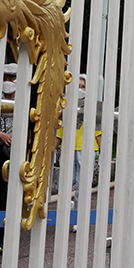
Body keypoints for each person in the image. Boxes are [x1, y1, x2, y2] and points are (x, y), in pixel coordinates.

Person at [55, 75, 102, 230]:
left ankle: (78, 219)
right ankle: (65, 215)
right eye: (79, 86)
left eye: (84, 87)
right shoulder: (67, 106)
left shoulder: (92, 108)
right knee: (65, 184)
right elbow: (61, 130)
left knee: (82, 187)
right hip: (68, 148)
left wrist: (103, 152)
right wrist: (54, 147)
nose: (81, 89)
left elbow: (98, 131)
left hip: (86, 149)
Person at [0, 63, 18, 254]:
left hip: (16, 154)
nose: (8, 82)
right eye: (6, 78)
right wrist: (0, 134)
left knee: (10, 197)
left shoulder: (25, 100)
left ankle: (4, 237)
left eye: (12, 78)